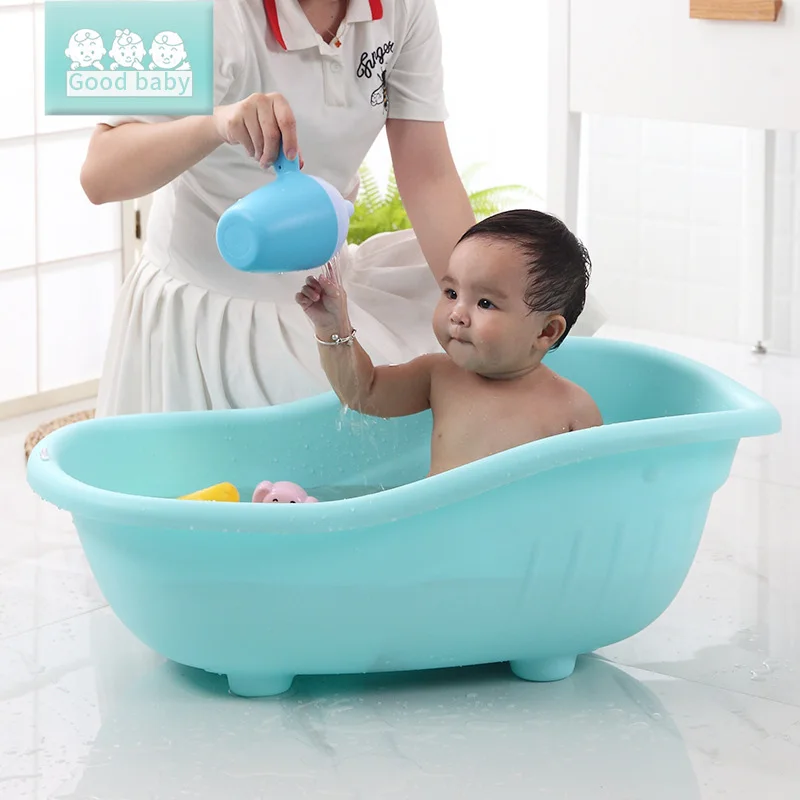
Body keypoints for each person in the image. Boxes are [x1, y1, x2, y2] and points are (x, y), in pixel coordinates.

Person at [81, 0, 606, 417]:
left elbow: (428, 174)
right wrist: (215, 124)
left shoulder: (403, 8)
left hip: (326, 275)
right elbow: (100, 173)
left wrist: (479, 304)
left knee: (535, 309)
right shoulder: (202, 14)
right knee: (334, 415)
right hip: (217, 298)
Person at [296, 208, 604, 476]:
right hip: (438, 523)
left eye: (485, 303)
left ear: (546, 332)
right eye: (451, 293)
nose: (457, 314)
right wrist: (333, 326)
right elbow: (362, 391)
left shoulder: (573, 410)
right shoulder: (439, 376)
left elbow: (591, 491)